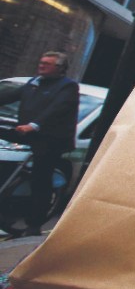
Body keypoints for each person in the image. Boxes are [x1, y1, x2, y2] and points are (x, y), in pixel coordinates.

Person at [0, 51, 78, 238]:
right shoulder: (34, 83)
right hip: (27, 133)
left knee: (40, 180)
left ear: (59, 68)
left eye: (47, 64)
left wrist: (35, 125)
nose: (41, 66)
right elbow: (8, 97)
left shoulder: (68, 87)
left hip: (50, 139)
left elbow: (56, 109)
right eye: (41, 62)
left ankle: (33, 224)